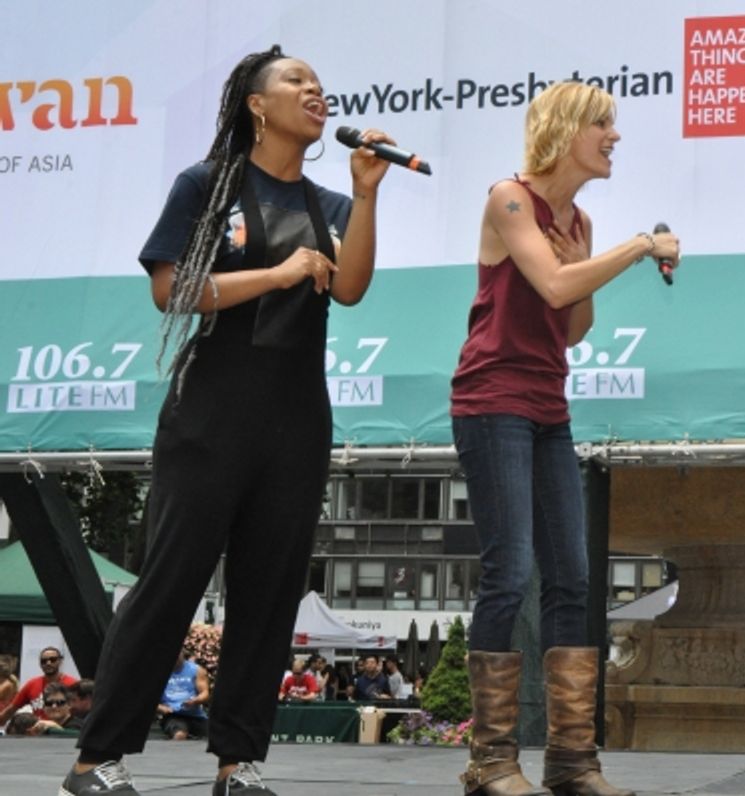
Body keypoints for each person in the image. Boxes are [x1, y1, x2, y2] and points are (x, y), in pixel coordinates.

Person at [59, 44, 394, 796]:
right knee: (170, 583)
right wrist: (276, 275)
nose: (315, 92)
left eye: (320, 84)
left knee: (270, 593)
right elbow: (171, 290)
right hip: (210, 414)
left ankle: (239, 765)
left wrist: (366, 193)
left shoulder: (328, 204)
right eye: (297, 82)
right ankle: (93, 761)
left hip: (297, 418)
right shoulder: (206, 187)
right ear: (256, 103)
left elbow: (350, 291)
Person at [450, 80, 678, 796]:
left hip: (548, 403)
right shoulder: (509, 198)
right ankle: (490, 761)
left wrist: (591, 268)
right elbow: (550, 289)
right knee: (509, 570)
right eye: (603, 124)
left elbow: (571, 323)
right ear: (566, 128)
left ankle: (572, 762)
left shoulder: (576, 221)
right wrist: (639, 246)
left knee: (574, 581)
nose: (614, 136)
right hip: (492, 401)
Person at [0, 646, 78, 725]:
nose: (48, 663)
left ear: (60, 661)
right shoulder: (32, 684)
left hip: (65, 733)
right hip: (38, 734)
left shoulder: (72, 684)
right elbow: (11, 710)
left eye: (52, 660)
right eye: (44, 661)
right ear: (40, 664)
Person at [158, 649, 211, 740]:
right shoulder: (158, 671)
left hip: (195, 715)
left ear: (183, 653)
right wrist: (161, 708)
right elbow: (147, 699)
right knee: (180, 735)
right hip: (173, 715)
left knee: (215, 736)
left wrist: (195, 700)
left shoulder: (196, 670)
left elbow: (205, 693)